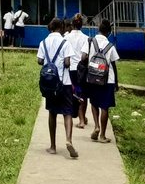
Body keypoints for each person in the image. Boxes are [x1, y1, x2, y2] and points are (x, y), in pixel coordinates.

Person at [37, 17, 79, 158]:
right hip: (64, 83)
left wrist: (49, 62)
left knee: (52, 113)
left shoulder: (43, 42)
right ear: (61, 28)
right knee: (67, 112)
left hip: (50, 85)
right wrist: (62, 63)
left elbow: (39, 61)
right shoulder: (65, 43)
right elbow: (68, 63)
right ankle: (68, 140)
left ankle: (53, 146)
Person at [83, 19, 119, 143]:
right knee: (105, 107)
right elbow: (113, 64)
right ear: (108, 32)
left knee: (93, 103)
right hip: (107, 79)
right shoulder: (111, 46)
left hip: (92, 77)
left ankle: (96, 126)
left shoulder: (90, 41)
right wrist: (116, 83)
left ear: (98, 29)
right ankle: (103, 135)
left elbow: (83, 57)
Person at [64, 13, 91, 129]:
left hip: (70, 69)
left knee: (72, 92)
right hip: (82, 70)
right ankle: (82, 119)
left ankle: (72, 115)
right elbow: (84, 57)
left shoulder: (66, 38)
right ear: (81, 25)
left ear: (72, 24)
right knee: (82, 93)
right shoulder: (86, 38)